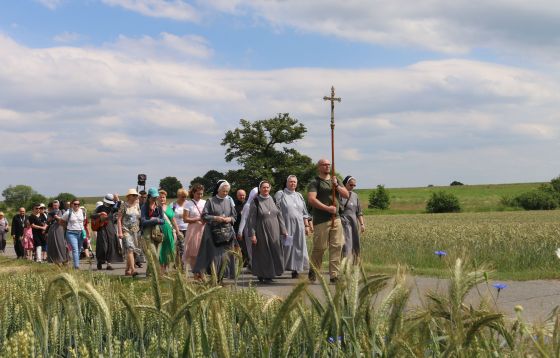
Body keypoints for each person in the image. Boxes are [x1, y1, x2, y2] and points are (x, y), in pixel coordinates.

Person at [307, 158, 350, 283]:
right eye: (324, 165)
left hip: (336, 218)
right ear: (319, 167)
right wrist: (327, 208)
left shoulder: (335, 180)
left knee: (336, 246)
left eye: (328, 165)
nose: (327, 166)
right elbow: (311, 199)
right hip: (321, 220)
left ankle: (334, 275)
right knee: (320, 247)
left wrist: (336, 185)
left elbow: (346, 194)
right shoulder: (315, 182)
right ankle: (314, 270)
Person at [193, 180, 237, 281]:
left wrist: (229, 219)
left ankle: (222, 277)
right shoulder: (210, 201)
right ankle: (214, 277)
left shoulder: (229, 201)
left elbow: (234, 216)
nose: (225, 193)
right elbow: (204, 216)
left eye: (227, 192)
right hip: (213, 233)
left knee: (225, 256)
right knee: (215, 256)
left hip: (226, 233)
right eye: (223, 191)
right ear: (218, 189)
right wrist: (216, 218)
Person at [249, 180, 287, 283]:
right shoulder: (255, 201)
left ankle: (271, 273)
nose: (265, 189)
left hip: (275, 230)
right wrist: (253, 235)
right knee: (263, 253)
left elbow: (280, 216)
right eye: (263, 187)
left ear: (270, 188)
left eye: (267, 187)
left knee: (275, 251)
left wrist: (284, 230)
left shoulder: (274, 200)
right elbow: (251, 220)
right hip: (261, 230)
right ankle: (263, 275)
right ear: (260, 189)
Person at [275, 175, 311, 278]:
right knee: (287, 247)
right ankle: (281, 267)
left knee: (299, 247)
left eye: (295, 182)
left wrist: (307, 225)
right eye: (291, 182)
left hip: (299, 226)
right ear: (286, 183)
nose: (293, 184)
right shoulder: (281, 194)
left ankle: (296, 270)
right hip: (286, 226)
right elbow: (276, 210)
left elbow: (304, 212)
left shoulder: (299, 195)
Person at [117, 189, 142, 277]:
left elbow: (139, 218)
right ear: (129, 196)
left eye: (136, 195)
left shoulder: (137, 205)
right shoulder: (124, 205)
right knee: (130, 248)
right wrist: (120, 231)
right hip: (125, 230)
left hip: (135, 230)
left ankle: (127, 269)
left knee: (134, 250)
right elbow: (119, 219)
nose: (135, 197)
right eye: (133, 195)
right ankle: (133, 269)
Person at [340, 176, 365, 261]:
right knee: (346, 243)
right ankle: (345, 264)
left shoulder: (355, 195)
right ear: (345, 184)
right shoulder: (340, 194)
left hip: (354, 222)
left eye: (354, 185)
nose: (352, 187)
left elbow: (359, 212)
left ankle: (355, 263)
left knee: (355, 242)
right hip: (344, 221)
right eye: (351, 185)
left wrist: (362, 224)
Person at [182, 184, 206, 272]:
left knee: (203, 252)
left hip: (203, 229)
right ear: (193, 193)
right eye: (198, 194)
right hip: (193, 230)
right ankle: (196, 273)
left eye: (201, 194)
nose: (200, 196)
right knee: (193, 252)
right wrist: (198, 219)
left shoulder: (204, 202)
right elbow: (185, 219)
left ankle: (201, 272)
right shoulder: (188, 204)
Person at [93, 194, 120, 270]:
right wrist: (99, 214)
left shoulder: (112, 208)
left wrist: (117, 199)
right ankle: (100, 261)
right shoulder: (100, 208)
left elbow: (120, 207)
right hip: (101, 229)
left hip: (111, 228)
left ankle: (109, 264)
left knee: (111, 245)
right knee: (103, 246)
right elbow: (92, 215)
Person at [159, 189, 183, 273]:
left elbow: (173, 220)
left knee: (169, 249)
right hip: (159, 231)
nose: (162, 199)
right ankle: (161, 269)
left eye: (163, 197)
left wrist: (178, 231)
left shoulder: (169, 208)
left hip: (169, 231)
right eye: (160, 197)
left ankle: (166, 268)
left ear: (165, 198)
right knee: (161, 250)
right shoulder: (155, 208)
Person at [140, 187, 164, 265]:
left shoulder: (159, 206)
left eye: (156, 197)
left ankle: (150, 274)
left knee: (156, 255)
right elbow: (143, 221)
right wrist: (153, 220)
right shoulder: (144, 207)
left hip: (158, 232)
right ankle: (155, 273)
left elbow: (163, 220)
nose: (155, 198)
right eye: (153, 197)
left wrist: (156, 220)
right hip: (147, 232)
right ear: (149, 196)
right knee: (153, 254)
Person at [61, 198, 85, 269]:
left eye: (78, 204)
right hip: (71, 233)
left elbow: (83, 221)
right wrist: (67, 227)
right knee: (75, 249)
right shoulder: (68, 212)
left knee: (79, 249)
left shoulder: (82, 211)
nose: (77, 205)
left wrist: (84, 230)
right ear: (72, 205)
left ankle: (75, 263)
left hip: (81, 232)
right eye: (75, 204)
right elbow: (61, 221)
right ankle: (76, 266)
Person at [237, 187, 258, 267]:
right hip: (248, 229)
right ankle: (252, 265)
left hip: (257, 229)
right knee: (250, 248)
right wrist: (240, 232)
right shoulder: (247, 205)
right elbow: (243, 219)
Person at [46, 200, 69, 265]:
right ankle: (56, 261)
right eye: (54, 205)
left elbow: (65, 220)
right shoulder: (50, 212)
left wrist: (57, 217)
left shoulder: (63, 211)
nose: (55, 206)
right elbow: (48, 221)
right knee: (54, 245)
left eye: (56, 205)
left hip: (61, 229)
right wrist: (51, 217)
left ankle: (65, 260)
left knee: (62, 244)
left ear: (59, 205)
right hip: (52, 230)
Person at [172, 188, 189, 269]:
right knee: (180, 247)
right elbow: (170, 217)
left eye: (185, 197)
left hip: (188, 228)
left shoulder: (188, 204)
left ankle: (179, 264)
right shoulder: (173, 205)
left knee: (185, 248)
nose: (184, 198)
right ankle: (180, 265)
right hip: (177, 229)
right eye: (182, 197)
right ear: (178, 196)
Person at [233, 189, 249, 267]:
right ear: (237, 196)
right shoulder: (234, 205)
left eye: (243, 195)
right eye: (240, 195)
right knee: (240, 246)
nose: (242, 197)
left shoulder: (248, 204)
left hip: (247, 228)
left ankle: (247, 261)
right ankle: (242, 261)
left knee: (246, 246)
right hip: (237, 228)